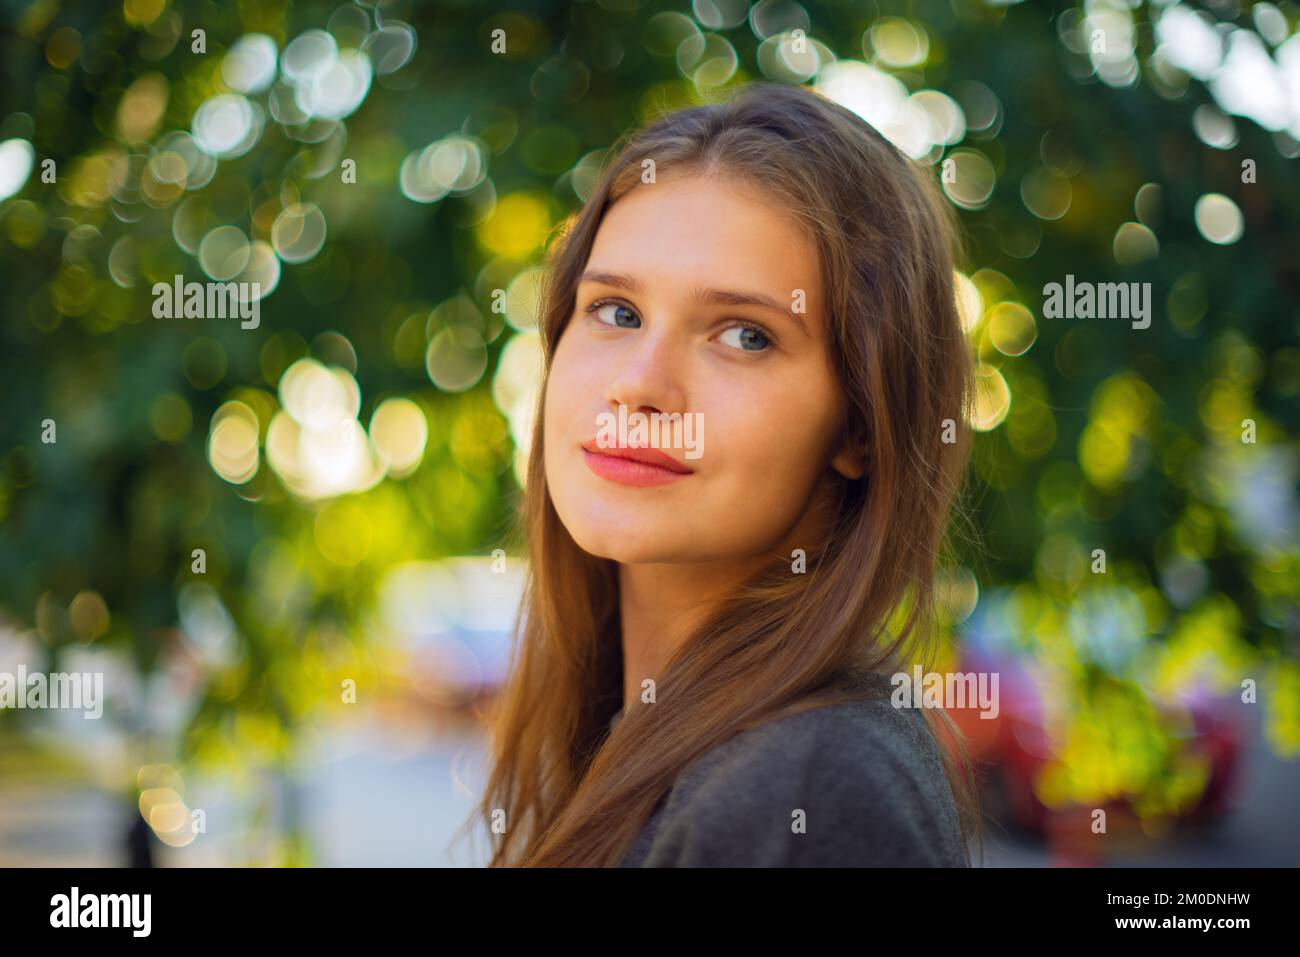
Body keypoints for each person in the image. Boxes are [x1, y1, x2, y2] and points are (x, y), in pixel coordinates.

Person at [473, 80, 982, 866]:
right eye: (616, 311)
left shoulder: (804, 787)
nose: (639, 384)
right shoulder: (657, 739)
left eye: (745, 334)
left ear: (861, 426)